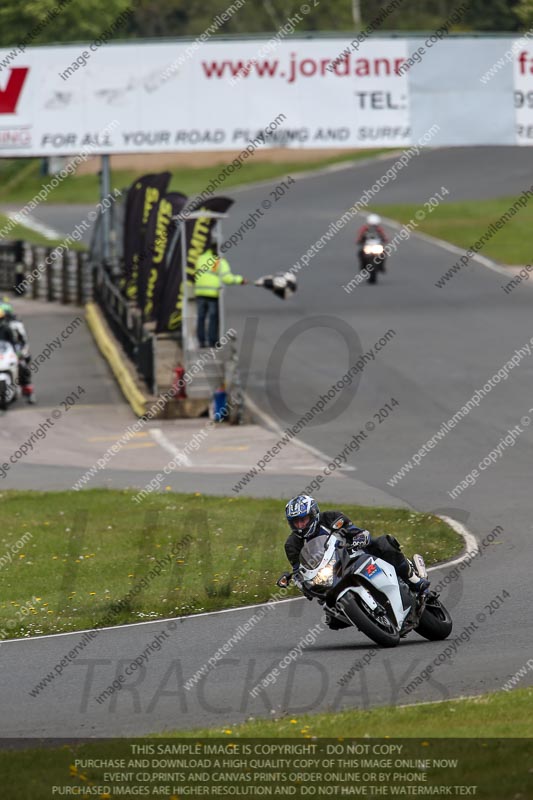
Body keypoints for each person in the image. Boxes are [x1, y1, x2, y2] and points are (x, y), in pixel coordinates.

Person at [280, 494, 429, 628]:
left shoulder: (331, 518)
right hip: (329, 575)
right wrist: (299, 582)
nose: (300, 526)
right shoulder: (292, 545)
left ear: (313, 514)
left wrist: (360, 537)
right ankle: (363, 615)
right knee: (332, 618)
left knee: (384, 543)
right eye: (295, 522)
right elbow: (299, 569)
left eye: (303, 520)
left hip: (353, 555)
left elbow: (355, 531)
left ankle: (415, 580)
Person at [194, 239, 247, 348]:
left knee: (201, 317)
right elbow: (227, 278)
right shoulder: (218, 261)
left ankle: (201, 341)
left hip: (200, 292)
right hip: (213, 293)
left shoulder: (200, 258)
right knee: (213, 318)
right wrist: (240, 280)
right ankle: (213, 341)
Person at [0, 307, 35, 404]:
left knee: (22, 367)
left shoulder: (8, 329)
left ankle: (28, 392)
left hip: (7, 354)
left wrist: (20, 353)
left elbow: (15, 343)